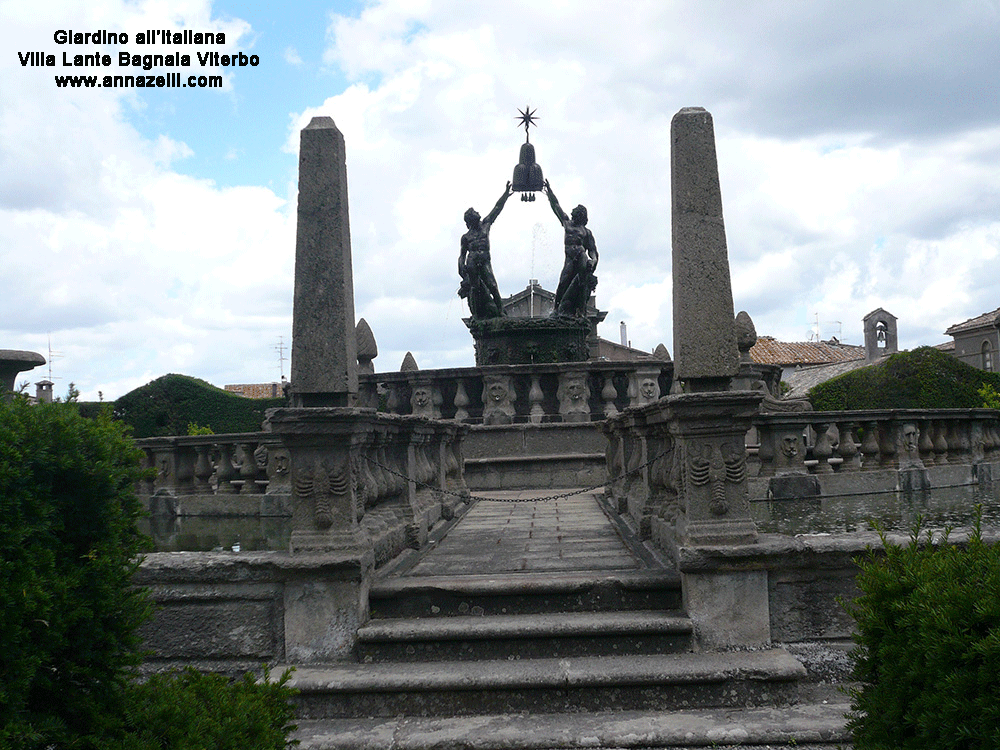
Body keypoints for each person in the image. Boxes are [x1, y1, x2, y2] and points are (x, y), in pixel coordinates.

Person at [544, 179, 598, 317]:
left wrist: (593, 260)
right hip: (570, 258)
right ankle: (556, 310)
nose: (573, 214)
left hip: (581, 257)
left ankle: (581, 310)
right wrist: (549, 191)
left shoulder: (586, 232)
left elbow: (593, 251)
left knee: (581, 282)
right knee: (563, 282)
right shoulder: (567, 224)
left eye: (576, 213)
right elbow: (556, 206)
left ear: (581, 216)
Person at [458, 182, 512, 319]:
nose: (479, 214)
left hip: (484, 261)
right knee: (475, 289)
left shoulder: (485, 226)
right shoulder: (466, 237)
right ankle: (477, 314)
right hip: (472, 263)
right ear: (470, 219)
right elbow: (462, 255)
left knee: (492, 285)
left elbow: (497, 208)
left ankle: (501, 311)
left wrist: (506, 194)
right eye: (475, 213)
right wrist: (460, 266)